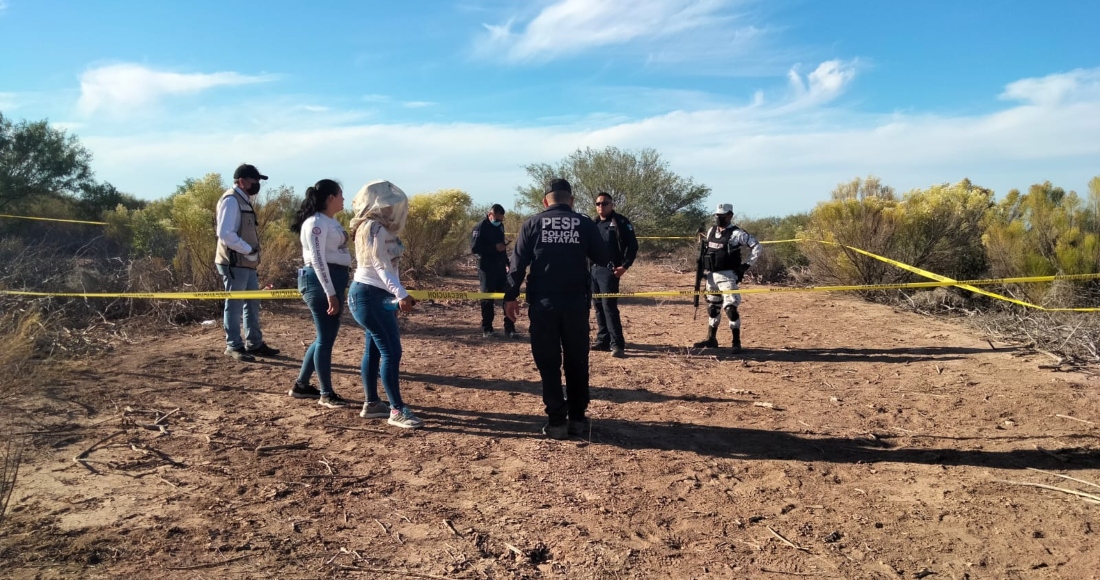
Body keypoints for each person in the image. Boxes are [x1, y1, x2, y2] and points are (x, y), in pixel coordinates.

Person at [504, 178, 611, 440]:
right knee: (577, 359)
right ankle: (577, 419)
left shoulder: (532, 223)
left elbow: (517, 265)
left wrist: (510, 297)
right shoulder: (585, 223)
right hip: (575, 304)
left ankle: (556, 421)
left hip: (543, 305)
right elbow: (602, 257)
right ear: (571, 200)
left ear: (545, 202)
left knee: (548, 361)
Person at [347, 180, 423, 429]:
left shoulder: (374, 228)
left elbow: (387, 267)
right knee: (391, 351)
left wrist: (397, 292)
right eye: (389, 205)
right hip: (369, 295)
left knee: (375, 350)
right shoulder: (373, 228)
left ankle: (372, 404)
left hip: (374, 295)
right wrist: (401, 294)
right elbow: (381, 266)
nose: (393, 210)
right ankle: (397, 409)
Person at [289, 179, 352, 407]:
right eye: (341, 194)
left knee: (324, 337)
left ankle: (302, 385)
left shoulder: (329, 221)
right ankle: (326, 394)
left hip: (333, 279)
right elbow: (317, 259)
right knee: (325, 339)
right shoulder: (315, 223)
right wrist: (330, 292)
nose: (344, 199)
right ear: (330, 197)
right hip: (320, 281)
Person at [214, 163, 280, 362]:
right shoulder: (231, 200)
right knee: (234, 305)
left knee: (251, 302)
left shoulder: (242, 199)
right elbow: (225, 234)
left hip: (246, 262)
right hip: (235, 262)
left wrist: (250, 253)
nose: (257, 185)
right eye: (254, 181)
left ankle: (254, 343)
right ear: (242, 182)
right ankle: (233, 345)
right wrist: (248, 249)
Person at [692, 203, 762, 354]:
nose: (718, 218)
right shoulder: (711, 231)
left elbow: (756, 246)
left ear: (730, 216)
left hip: (728, 276)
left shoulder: (737, 234)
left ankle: (736, 342)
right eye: (716, 215)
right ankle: (711, 339)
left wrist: (746, 266)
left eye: (721, 216)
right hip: (711, 276)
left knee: (730, 308)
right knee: (712, 308)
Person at [590, 192, 638, 358]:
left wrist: (624, 267)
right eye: (598, 204)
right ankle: (602, 340)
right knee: (597, 307)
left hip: (610, 272)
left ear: (612, 205)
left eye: (604, 203)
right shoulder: (593, 223)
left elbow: (632, 246)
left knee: (609, 307)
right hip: (594, 271)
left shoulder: (620, 222)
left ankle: (617, 344)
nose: (600, 207)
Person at [471, 203, 519, 338]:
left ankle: (510, 329)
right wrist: (494, 248)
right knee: (488, 298)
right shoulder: (480, 227)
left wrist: (507, 262)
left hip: (500, 267)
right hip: (486, 268)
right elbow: (475, 249)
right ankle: (487, 329)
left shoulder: (500, 227)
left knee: (507, 296)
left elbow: (501, 245)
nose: (499, 222)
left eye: (501, 220)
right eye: (497, 220)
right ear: (490, 215)